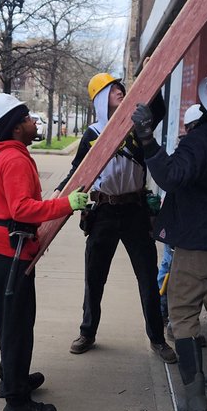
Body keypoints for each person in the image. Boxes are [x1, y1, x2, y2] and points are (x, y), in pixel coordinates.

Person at [131, 69, 207, 411]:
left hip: (199, 242)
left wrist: (147, 138)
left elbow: (170, 176)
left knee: (183, 314)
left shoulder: (203, 140)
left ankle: (195, 403)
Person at [0, 93, 89, 411]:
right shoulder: (13, 160)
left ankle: (10, 378)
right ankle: (16, 402)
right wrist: (67, 204)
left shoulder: (13, 154)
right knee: (16, 326)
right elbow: (22, 210)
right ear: (15, 128)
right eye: (28, 118)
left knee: (13, 322)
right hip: (7, 252)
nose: (34, 122)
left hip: (7, 251)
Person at [60, 73, 176, 363]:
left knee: (147, 277)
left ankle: (157, 339)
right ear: (100, 98)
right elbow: (78, 172)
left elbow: (158, 109)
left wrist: (155, 75)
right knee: (95, 277)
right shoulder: (92, 134)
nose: (121, 91)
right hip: (104, 212)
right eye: (114, 90)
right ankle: (88, 332)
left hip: (134, 210)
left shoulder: (137, 127)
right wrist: (59, 195)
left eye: (122, 88)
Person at [157, 104, 204, 335]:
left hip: (192, 225)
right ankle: (166, 317)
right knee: (169, 271)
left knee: (184, 277)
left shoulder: (197, 150)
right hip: (179, 223)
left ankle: (175, 321)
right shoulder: (188, 152)